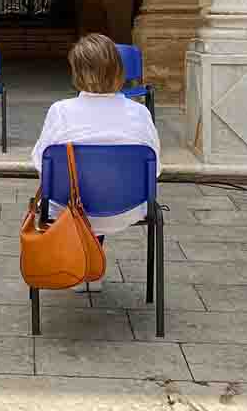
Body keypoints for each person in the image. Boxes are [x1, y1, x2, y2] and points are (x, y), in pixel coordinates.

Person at [31, 33, 161, 293]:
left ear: (76, 72)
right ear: (118, 69)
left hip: (68, 210)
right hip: (128, 208)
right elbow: (155, 168)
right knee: (101, 181)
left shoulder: (61, 112)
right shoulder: (140, 113)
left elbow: (41, 163)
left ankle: (83, 265)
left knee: (80, 184)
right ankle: (91, 264)